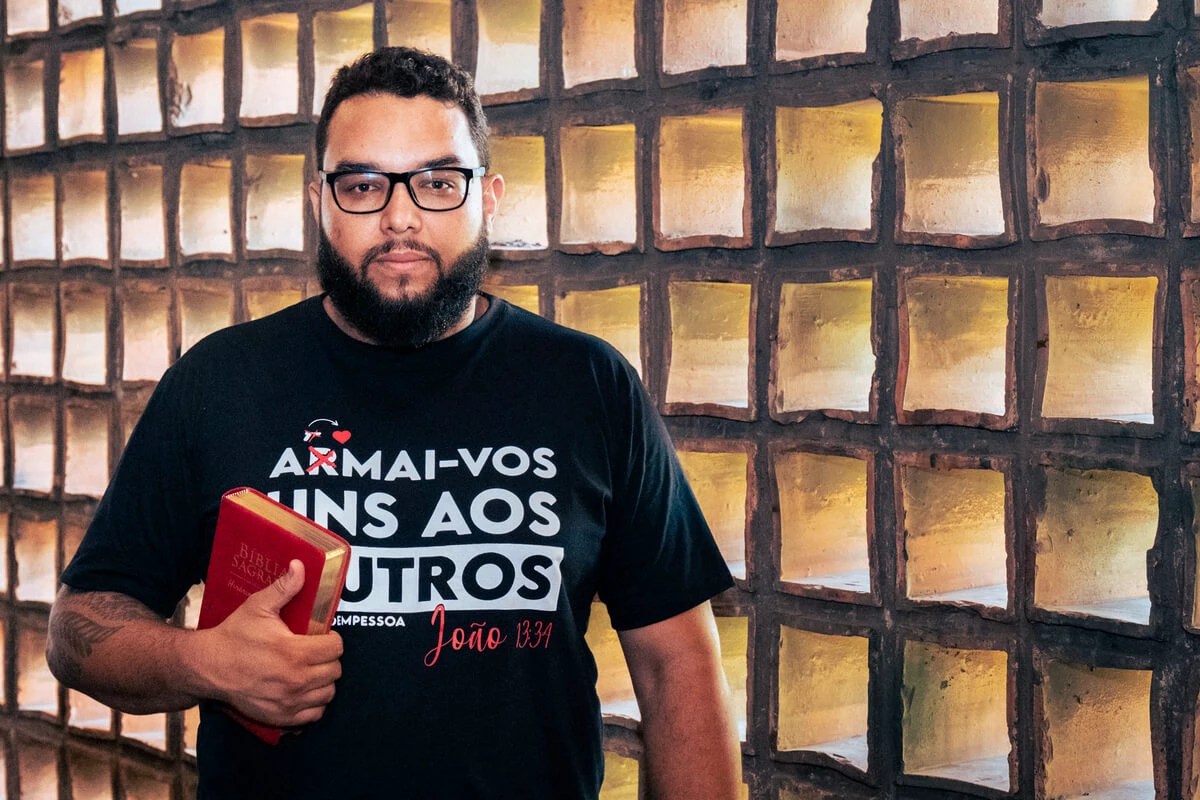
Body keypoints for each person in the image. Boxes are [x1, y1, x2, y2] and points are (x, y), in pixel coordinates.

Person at [47, 47, 740, 799]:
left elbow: (678, 670)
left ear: (490, 199)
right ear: (320, 200)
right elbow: (77, 630)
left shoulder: (586, 385)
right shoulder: (220, 383)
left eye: (440, 182)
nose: (401, 217)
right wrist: (205, 662)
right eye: (364, 184)